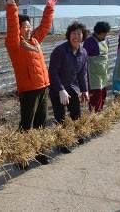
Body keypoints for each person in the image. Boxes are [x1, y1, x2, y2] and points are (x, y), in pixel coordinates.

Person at [3, 0, 57, 165]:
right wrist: (11, 5)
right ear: (18, 29)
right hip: (28, 90)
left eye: (28, 26)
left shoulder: (34, 41)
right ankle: (21, 155)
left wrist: (49, 9)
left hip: (43, 87)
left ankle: (39, 151)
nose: (27, 29)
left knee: (41, 121)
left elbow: (45, 27)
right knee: (27, 124)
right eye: (24, 26)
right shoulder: (15, 44)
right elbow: (11, 27)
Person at [49, 21, 89, 153]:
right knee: (60, 116)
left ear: (83, 36)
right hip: (57, 88)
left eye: (79, 34)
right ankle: (61, 142)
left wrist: (84, 90)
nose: (76, 36)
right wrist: (61, 90)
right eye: (73, 34)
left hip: (72, 86)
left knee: (76, 112)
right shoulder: (60, 51)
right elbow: (53, 72)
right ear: (68, 35)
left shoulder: (83, 53)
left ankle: (76, 135)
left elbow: (82, 73)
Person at [83, 21, 111, 112]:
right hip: (93, 74)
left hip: (103, 72)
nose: (105, 36)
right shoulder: (89, 42)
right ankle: (94, 113)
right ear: (97, 32)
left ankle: (100, 110)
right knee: (96, 95)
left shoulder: (106, 40)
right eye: (103, 34)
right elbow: (83, 58)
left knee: (103, 93)